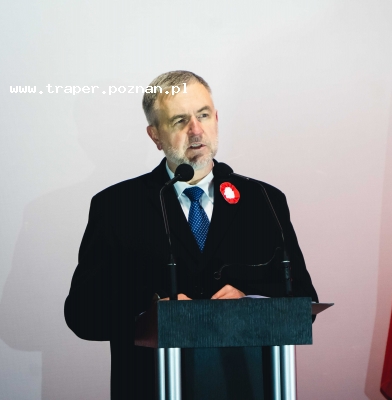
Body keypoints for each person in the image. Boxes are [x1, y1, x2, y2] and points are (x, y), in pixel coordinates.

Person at [64, 70, 318, 400]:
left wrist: (250, 302)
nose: (196, 130)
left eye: (203, 115)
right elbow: (82, 314)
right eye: (180, 120)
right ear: (155, 135)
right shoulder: (117, 206)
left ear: (217, 119)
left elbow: (303, 299)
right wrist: (152, 309)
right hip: (150, 386)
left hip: (247, 384)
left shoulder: (263, 200)